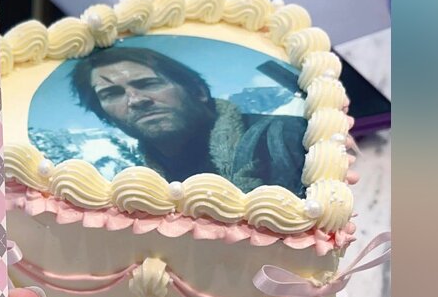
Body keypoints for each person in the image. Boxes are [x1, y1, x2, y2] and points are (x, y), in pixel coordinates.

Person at [69, 46, 309, 194]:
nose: (136, 100)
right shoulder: (142, 186)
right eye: (112, 94)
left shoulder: (288, 138)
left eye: (148, 83)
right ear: (106, 117)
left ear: (198, 91)